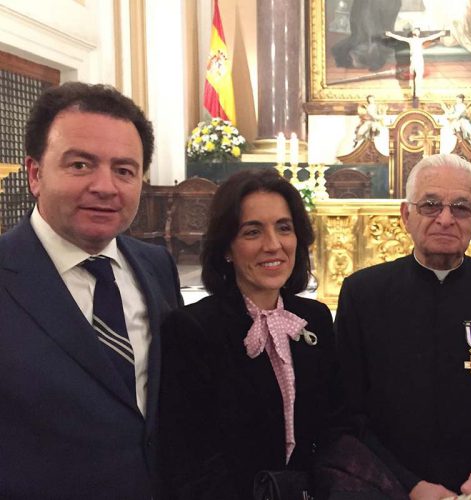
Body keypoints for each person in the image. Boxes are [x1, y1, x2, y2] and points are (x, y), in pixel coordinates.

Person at [335, 153, 471, 499]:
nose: (445, 218)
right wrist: (407, 485)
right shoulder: (364, 294)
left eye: (460, 207)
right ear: (405, 214)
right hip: (390, 490)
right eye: (430, 205)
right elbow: (347, 414)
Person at [0, 82, 182, 498]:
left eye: (124, 170)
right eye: (81, 165)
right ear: (34, 174)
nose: (106, 186)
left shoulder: (156, 267)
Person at [158, 169, 341, 499]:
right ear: (227, 248)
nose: (273, 245)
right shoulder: (192, 329)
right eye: (252, 232)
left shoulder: (313, 318)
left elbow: (330, 427)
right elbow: (188, 459)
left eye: (284, 228)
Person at [385, 28, 446, 97]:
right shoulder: (410, 40)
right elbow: (400, 38)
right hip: (413, 60)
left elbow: (431, 37)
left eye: (417, 31)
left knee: (419, 76)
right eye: (414, 31)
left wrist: (440, 34)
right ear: (413, 33)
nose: (416, 32)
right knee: (413, 75)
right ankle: (413, 90)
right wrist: (390, 34)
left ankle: (418, 92)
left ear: (419, 33)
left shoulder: (420, 40)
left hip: (419, 60)